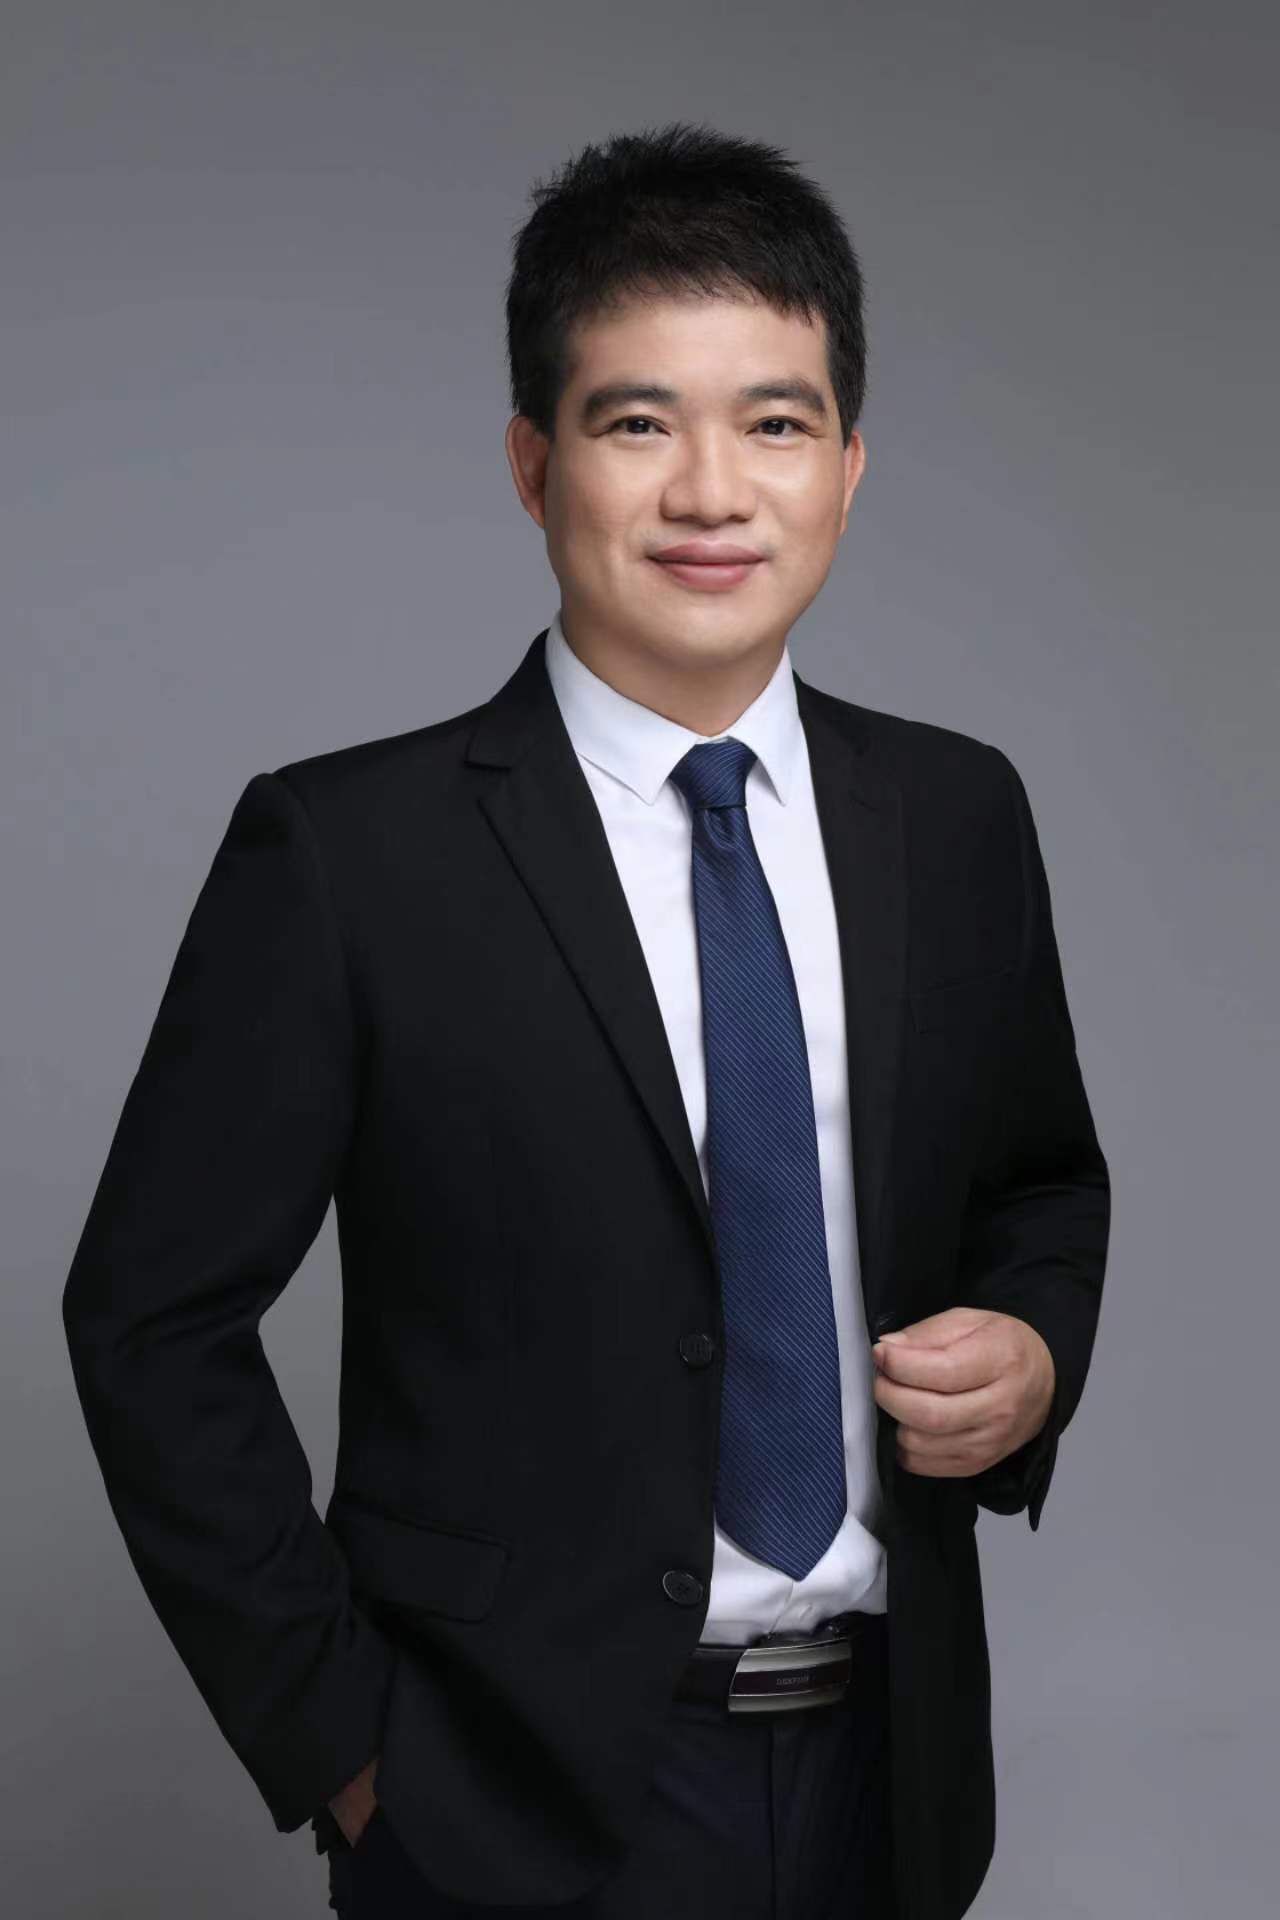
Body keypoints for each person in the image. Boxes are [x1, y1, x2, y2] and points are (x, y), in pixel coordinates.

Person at [62, 122, 1110, 1920]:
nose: (713, 490)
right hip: (503, 1810)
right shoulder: (349, 855)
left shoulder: (957, 817)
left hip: (893, 1780)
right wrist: (342, 1745)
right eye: (638, 423)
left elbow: (1043, 1186)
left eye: (775, 423)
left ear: (849, 467)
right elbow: (150, 1322)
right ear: (534, 464)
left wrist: (1031, 1349)